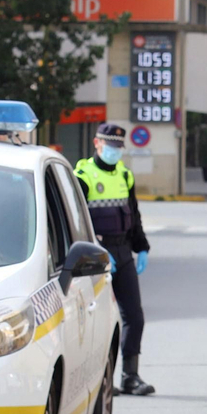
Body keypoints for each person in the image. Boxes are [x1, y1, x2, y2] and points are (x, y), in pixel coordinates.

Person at [75, 123, 154, 396]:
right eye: (110, 146)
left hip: (123, 253)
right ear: (97, 143)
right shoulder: (83, 175)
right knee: (99, 320)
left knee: (135, 317)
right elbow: (76, 223)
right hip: (96, 257)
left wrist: (141, 247)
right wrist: (96, 248)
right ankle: (99, 380)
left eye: (118, 147)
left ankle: (130, 376)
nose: (114, 152)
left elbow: (133, 216)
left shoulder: (125, 175)